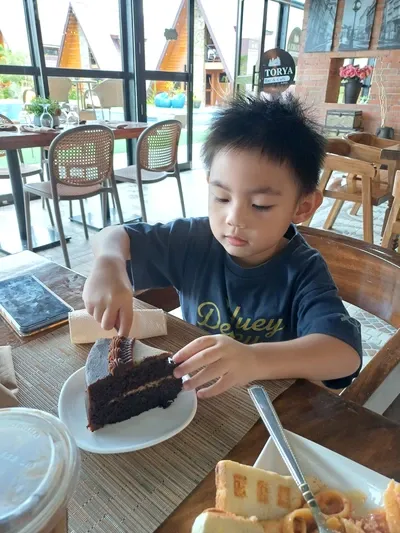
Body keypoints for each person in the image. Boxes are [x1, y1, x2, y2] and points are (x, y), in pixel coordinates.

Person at [83, 94, 362, 399]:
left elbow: (344, 354)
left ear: (303, 207)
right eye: (222, 197)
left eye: (261, 205)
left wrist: (253, 359)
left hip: (269, 403)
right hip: (201, 396)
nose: (234, 219)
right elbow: (112, 235)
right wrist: (108, 264)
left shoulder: (304, 270)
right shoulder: (193, 241)